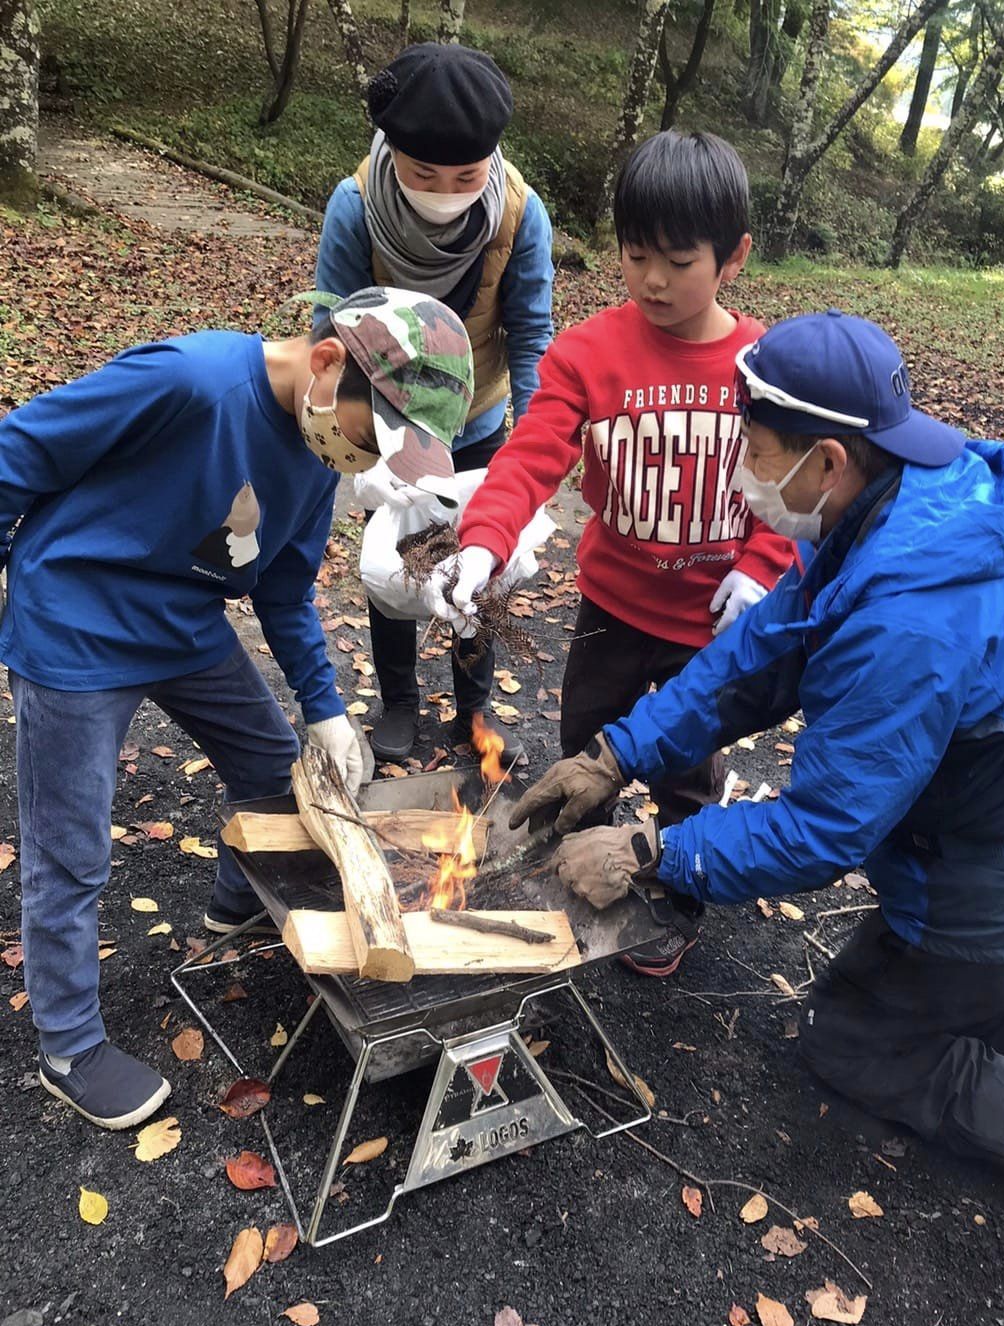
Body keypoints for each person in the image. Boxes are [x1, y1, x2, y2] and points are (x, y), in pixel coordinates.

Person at [509, 309, 1004, 1221]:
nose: (742, 473)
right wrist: (616, 752)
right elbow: (764, 650)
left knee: (856, 1039)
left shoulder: (910, 618)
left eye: (752, 450)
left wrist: (650, 854)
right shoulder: (903, 508)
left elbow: (826, 827)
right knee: (941, 997)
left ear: (827, 458)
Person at [0, 286, 475, 1131]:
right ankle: (68, 1046)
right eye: (374, 439)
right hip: (78, 617)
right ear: (328, 363)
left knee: (271, 766)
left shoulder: (318, 444)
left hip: (183, 624)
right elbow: (19, 453)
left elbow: (285, 587)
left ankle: (236, 901)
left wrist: (326, 709)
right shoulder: (190, 383)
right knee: (69, 848)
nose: (366, 463)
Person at [430, 130, 794, 976]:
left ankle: (675, 889)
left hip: (710, 623)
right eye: (636, 258)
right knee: (588, 746)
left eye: (679, 260)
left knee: (688, 767)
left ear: (733, 257)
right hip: (614, 606)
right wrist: (483, 543)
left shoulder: (765, 363)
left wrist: (761, 567)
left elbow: (799, 479)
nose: (655, 281)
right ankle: (583, 871)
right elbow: (529, 457)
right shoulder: (588, 353)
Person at [315, 41, 555, 766]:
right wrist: (361, 443)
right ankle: (397, 702)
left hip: (479, 418)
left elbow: (532, 332)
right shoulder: (356, 206)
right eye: (425, 173)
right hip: (388, 423)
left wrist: (529, 449)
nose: (446, 188)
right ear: (392, 152)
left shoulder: (519, 213)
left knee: (473, 568)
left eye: (467, 175)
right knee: (396, 562)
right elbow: (331, 325)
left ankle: (472, 710)